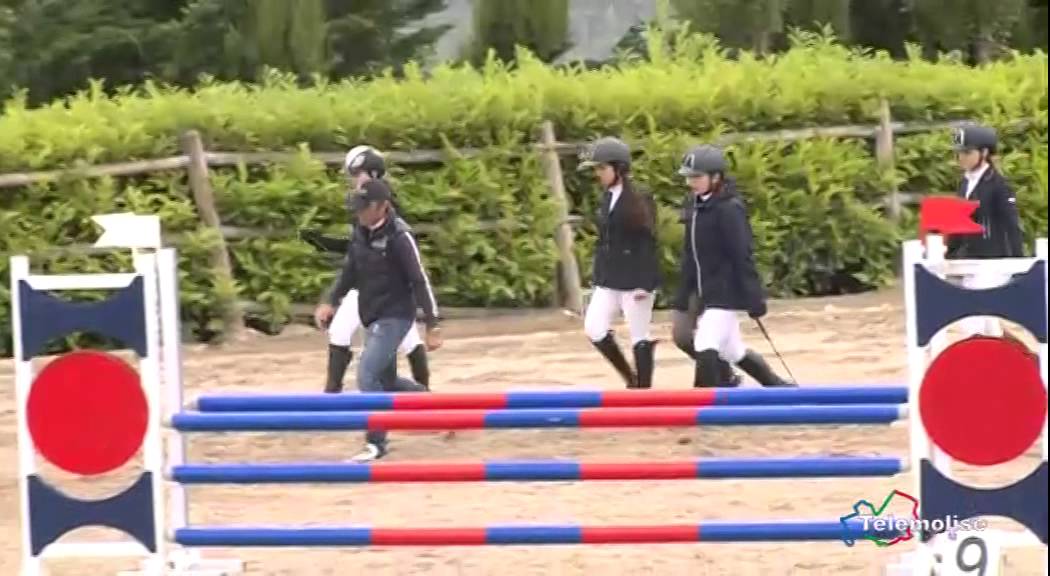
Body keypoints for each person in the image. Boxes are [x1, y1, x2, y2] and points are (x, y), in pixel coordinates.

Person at [313, 178, 442, 462]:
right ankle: (436, 408)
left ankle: (376, 443)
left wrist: (432, 323)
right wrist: (330, 300)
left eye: (364, 207)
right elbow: (349, 271)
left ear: (382, 206)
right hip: (371, 314)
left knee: (367, 374)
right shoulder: (360, 232)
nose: (358, 212)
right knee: (387, 381)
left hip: (396, 316)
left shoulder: (400, 236)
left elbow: (419, 280)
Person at [311, 145, 431, 394]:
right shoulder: (362, 204)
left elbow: (404, 254)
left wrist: (432, 320)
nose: (353, 181)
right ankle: (333, 393)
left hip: (389, 290)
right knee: (343, 334)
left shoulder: (385, 206)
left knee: (403, 345)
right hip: (368, 288)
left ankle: (423, 398)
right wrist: (332, 297)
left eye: (357, 174)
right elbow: (353, 256)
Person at [675, 144, 795, 388]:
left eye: (696, 177)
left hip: (725, 290)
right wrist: (683, 294)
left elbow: (742, 255)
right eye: (688, 177)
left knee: (705, 342)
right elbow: (690, 254)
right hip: (705, 290)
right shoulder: (694, 205)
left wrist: (753, 297)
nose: (691, 183)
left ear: (715, 177)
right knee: (733, 351)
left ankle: (705, 400)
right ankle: (779, 388)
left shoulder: (729, 209)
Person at [576, 137, 660, 389]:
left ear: (619, 168)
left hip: (635, 278)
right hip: (609, 278)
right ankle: (629, 378)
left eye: (602, 168)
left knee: (639, 335)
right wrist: (598, 276)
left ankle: (643, 391)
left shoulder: (640, 197)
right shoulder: (607, 197)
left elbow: (648, 242)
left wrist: (646, 282)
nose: (598, 174)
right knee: (594, 328)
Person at [945, 124, 1025, 337]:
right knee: (987, 324)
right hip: (971, 259)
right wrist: (950, 257)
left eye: (966, 153)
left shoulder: (999, 185)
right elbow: (958, 223)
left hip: (994, 261)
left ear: (984, 152)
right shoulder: (964, 183)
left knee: (974, 318)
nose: (960, 158)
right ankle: (1017, 353)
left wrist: (1018, 263)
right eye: (958, 153)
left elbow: (1012, 224)